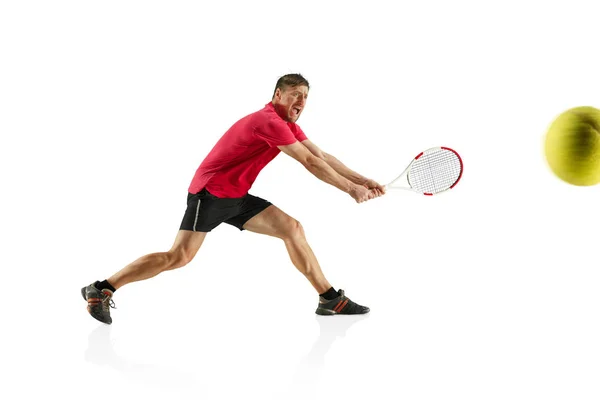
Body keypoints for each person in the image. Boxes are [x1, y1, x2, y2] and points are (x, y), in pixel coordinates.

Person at [81, 73, 385, 324]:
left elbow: (321, 154)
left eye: (305, 96)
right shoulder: (268, 121)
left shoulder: (288, 125)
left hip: (236, 195)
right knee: (179, 257)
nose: (301, 102)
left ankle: (331, 300)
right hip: (210, 193)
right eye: (295, 94)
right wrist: (350, 190)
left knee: (292, 229)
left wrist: (362, 179)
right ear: (278, 94)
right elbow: (310, 163)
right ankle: (101, 289)